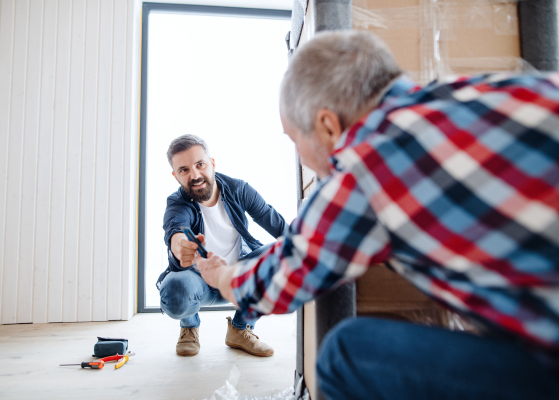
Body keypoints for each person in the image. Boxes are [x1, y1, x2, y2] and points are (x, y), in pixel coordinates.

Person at [197, 31, 559, 399]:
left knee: (345, 354)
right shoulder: (488, 89)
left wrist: (225, 275)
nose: (302, 158)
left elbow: (278, 282)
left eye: (294, 141)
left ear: (327, 126)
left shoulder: (366, 167)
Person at [158, 134, 288, 357]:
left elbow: (273, 221)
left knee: (285, 255)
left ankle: (240, 329)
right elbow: (175, 230)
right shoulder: (177, 203)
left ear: (212, 164)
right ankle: (189, 326)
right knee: (175, 292)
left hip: (236, 277)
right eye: (184, 170)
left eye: (200, 165)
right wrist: (180, 246)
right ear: (175, 176)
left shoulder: (239, 190)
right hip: (198, 282)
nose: (195, 175)